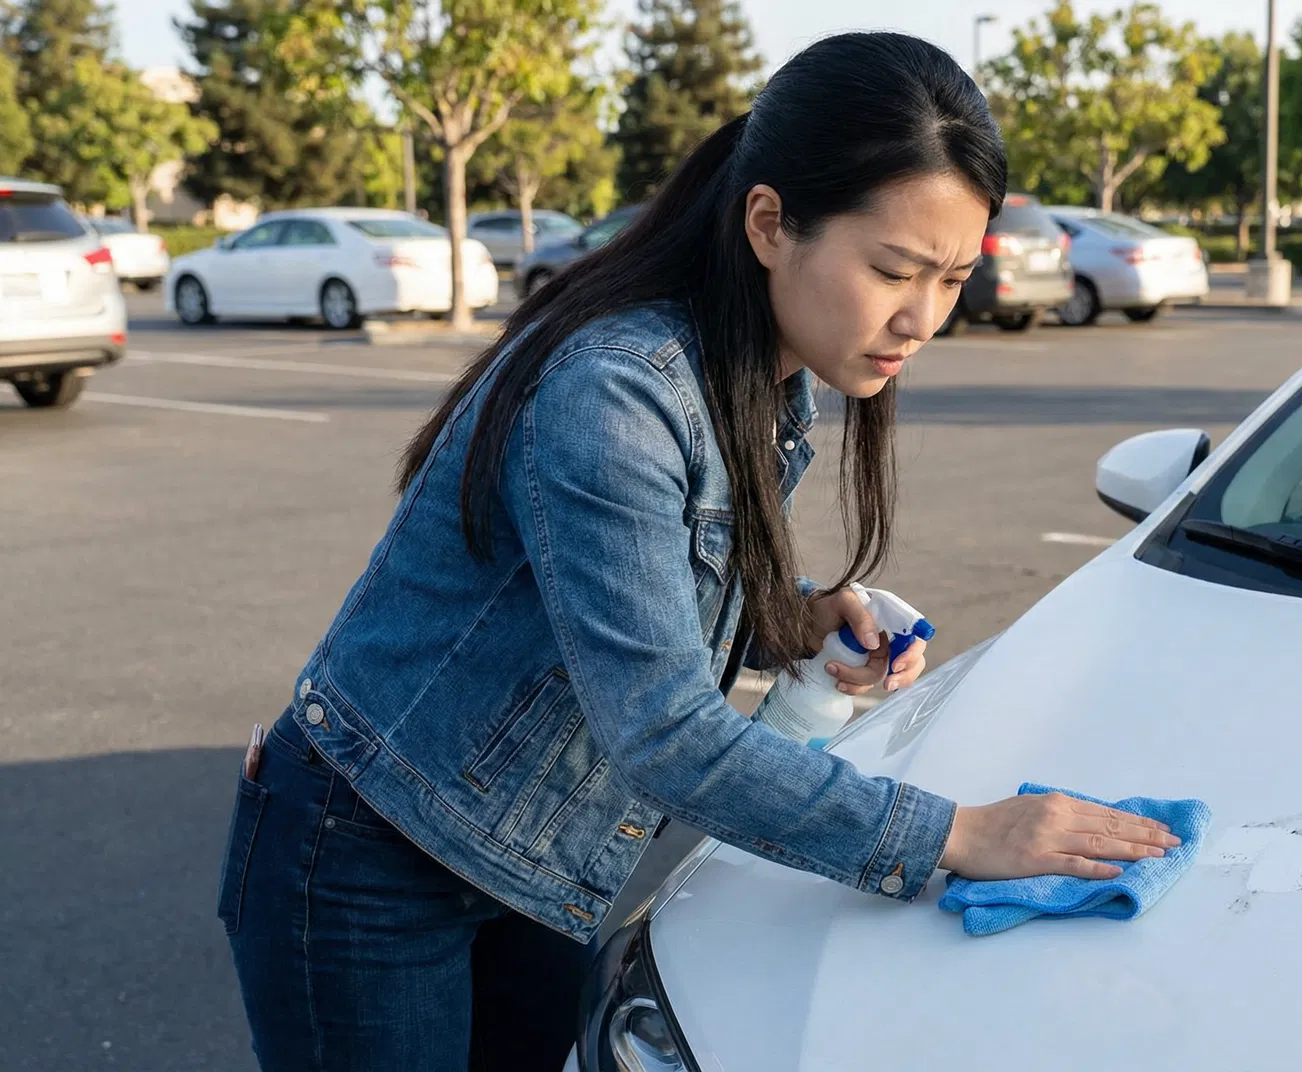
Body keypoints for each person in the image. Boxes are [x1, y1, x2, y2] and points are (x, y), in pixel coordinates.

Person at [214, 31, 1180, 1072]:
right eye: (893, 269)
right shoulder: (617, 389)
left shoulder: (764, 374)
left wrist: (794, 612)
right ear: (770, 222)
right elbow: (666, 733)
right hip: (368, 854)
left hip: (522, 859)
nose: (923, 318)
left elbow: (637, 585)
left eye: (951, 278)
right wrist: (960, 835)